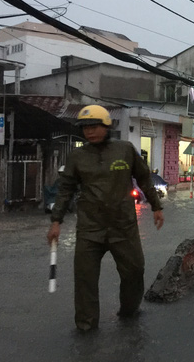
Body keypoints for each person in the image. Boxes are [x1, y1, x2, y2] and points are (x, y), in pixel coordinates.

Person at [47, 105, 165, 332]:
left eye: (94, 126)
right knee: (84, 279)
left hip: (123, 226)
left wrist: (156, 207)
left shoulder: (125, 150)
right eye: (85, 128)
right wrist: (56, 222)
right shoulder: (77, 157)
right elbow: (65, 190)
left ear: (107, 126)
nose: (89, 132)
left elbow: (144, 179)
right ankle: (86, 324)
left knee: (134, 271)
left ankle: (129, 310)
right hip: (90, 228)